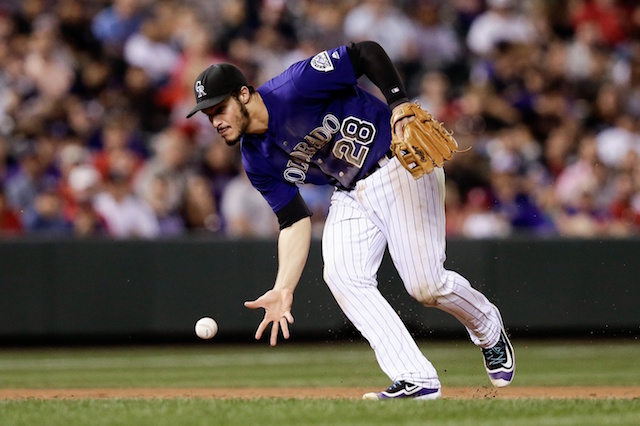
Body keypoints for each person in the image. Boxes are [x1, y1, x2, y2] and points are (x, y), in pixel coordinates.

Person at [186, 40, 515, 400]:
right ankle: (415, 378)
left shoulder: (295, 86)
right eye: (208, 114)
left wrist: (399, 102)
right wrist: (283, 287)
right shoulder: (255, 159)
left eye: (220, 108)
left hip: (399, 165)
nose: (215, 121)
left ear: (244, 95)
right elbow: (293, 220)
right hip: (348, 191)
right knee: (343, 275)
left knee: (426, 286)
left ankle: (487, 326)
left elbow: (366, 53)